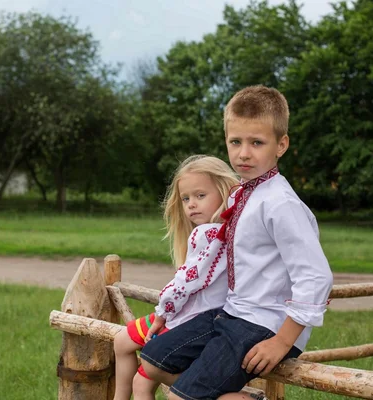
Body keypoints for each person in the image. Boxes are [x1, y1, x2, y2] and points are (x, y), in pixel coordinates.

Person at [139, 85, 334, 400]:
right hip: (232, 312)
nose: (244, 153)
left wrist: (282, 342)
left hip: (266, 323)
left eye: (257, 142)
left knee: (179, 397)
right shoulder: (244, 192)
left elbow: (316, 277)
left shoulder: (280, 202)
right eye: (235, 142)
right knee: (153, 359)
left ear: (281, 144)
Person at [113, 155, 239, 400]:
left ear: (224, 193)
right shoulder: (225, 233)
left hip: (185, 319)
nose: (191, 204)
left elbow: (186, 280)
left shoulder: (209, 234)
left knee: (123, 346)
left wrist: (163, 308)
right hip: (189, 315)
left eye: (200, 196)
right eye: (186, 198)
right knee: (139, 376)